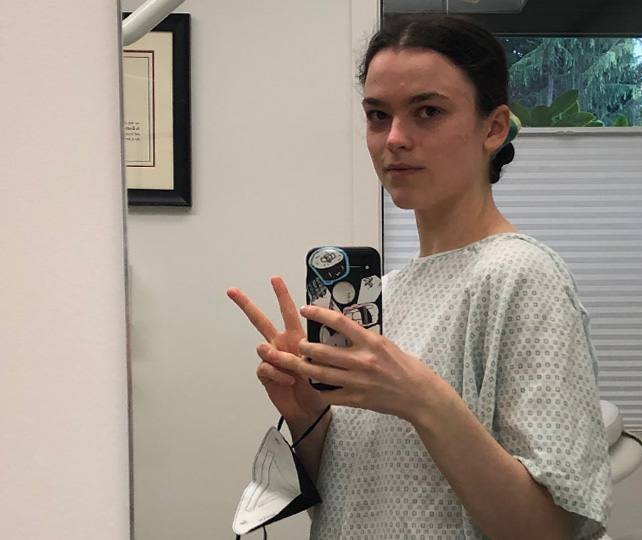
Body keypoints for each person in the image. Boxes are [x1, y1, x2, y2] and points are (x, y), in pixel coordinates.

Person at [227, 14, 612, 540]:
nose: (395, 138)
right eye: (377, 115)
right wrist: (308, 416)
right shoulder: (387, 293)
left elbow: (546, 531)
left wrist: (423, 400)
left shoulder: (520, 277)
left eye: (427, 111)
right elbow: (351, 504)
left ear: (493, 128)